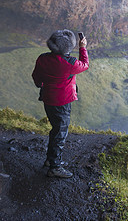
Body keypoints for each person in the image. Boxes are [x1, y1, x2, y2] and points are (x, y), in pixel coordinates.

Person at [32, 29, 89, 178]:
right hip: (62, 102)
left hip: (47, 99)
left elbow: (36, 78)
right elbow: (85, 64)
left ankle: (50, 160)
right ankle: (55, 167)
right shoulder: (70, 64)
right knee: (60, 132)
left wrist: (41, 84)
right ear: (68, 48)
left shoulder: (42, 58)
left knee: (56, 129)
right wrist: (83, 48)